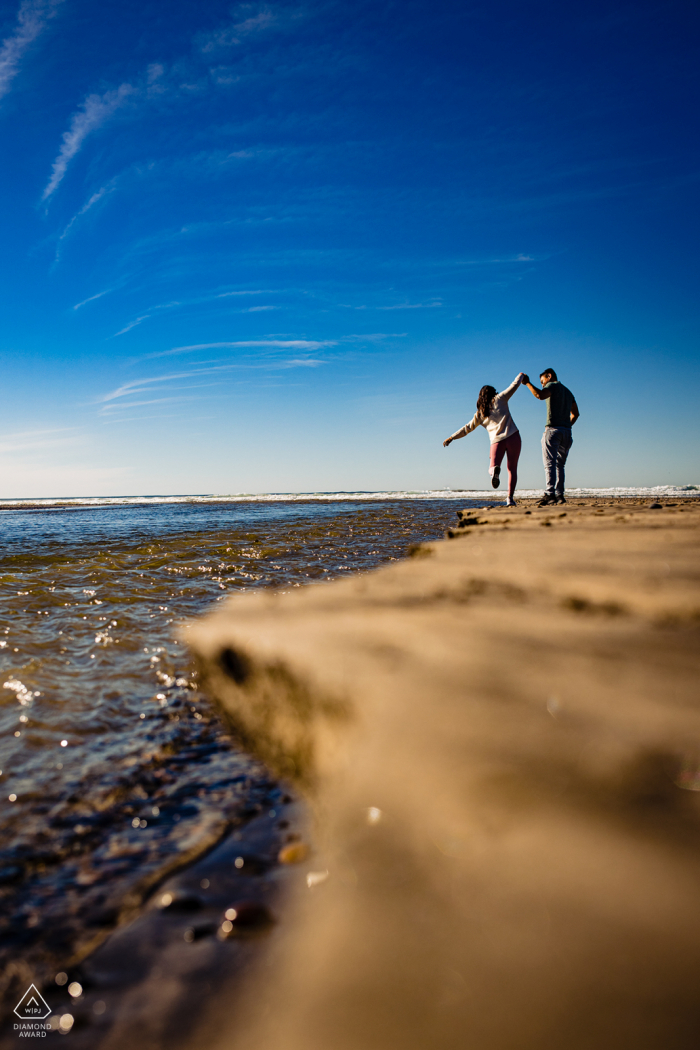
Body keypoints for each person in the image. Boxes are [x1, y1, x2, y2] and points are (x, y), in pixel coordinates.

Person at [443, 373, 526, 506]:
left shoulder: (481, 413)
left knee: (492, 467)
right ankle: (510, 499)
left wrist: (452, 437)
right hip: (514, 437)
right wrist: (521, 376)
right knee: (512, 469)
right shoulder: (500, 398)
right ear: (493, 393)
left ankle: (494, 471)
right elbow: (514, 385)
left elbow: (467, 428)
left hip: (497, 441)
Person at [521, 368, 579, 506]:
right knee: (560, 465)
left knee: (549, 464)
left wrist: (528, 383)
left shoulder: (552, 386)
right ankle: (560, 495)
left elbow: (539, 395)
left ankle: (550, 493)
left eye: (543, 381)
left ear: (549, 376)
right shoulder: (568, 392)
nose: (542, 385)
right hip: (567, 432)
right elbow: (575, 414)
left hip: (553, 430)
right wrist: (566, 425)